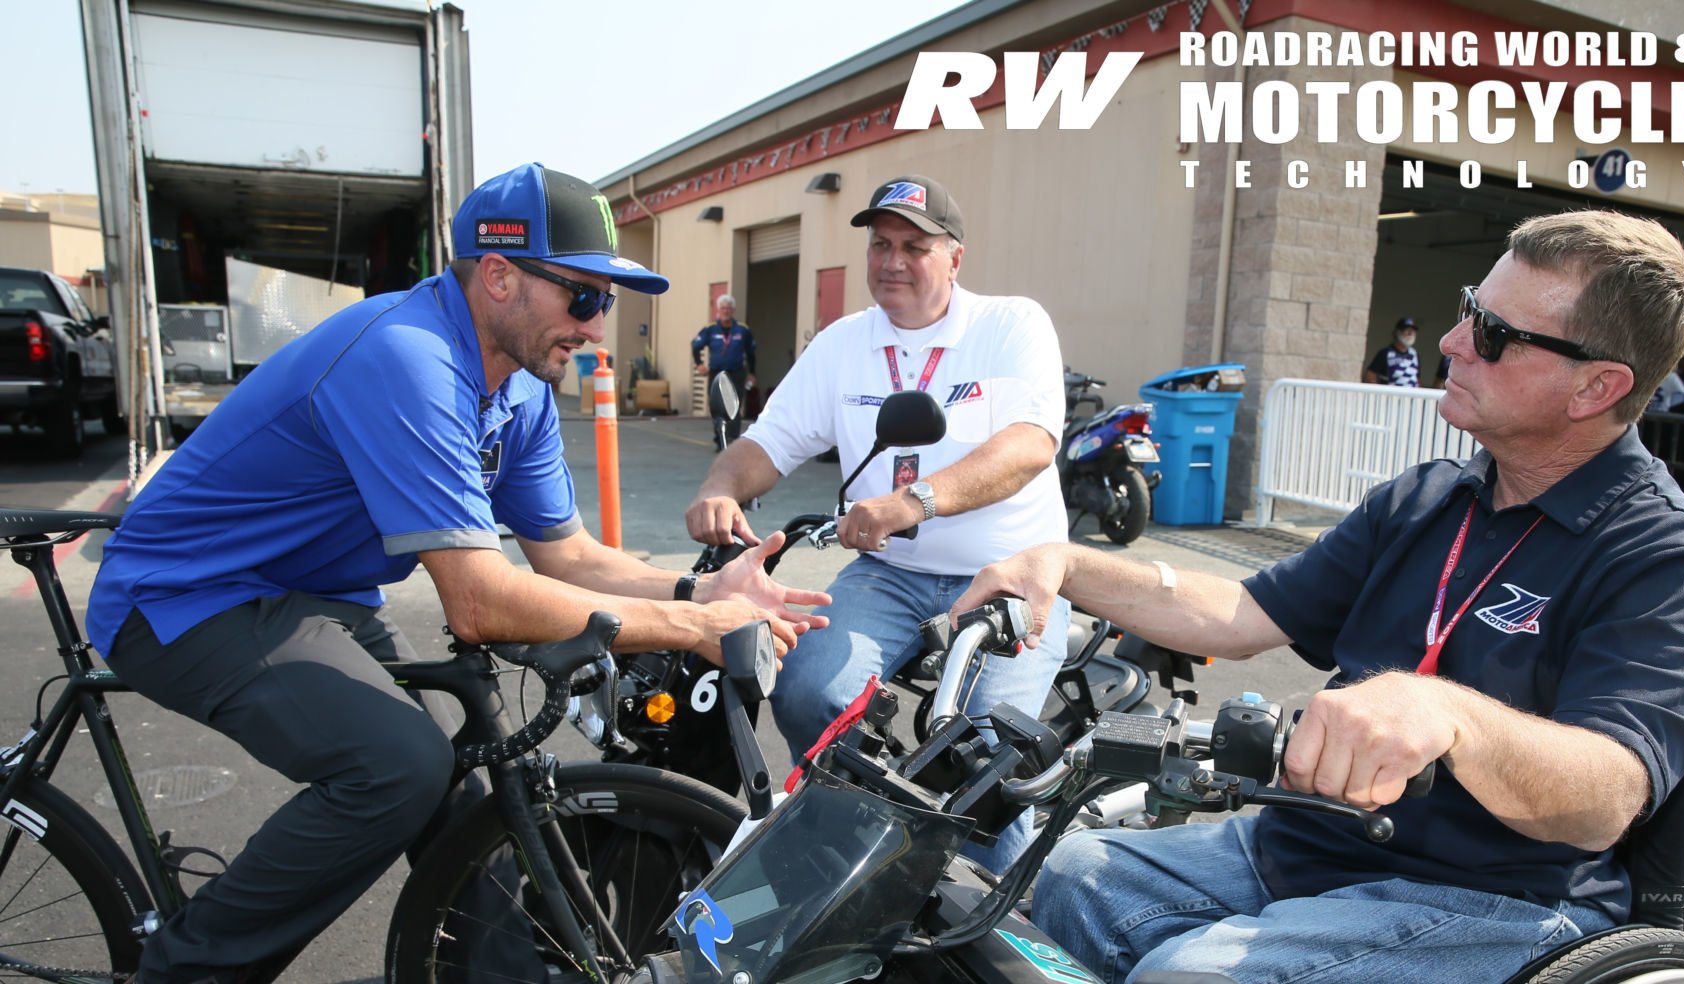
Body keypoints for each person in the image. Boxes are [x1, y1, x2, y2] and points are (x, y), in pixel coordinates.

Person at [86, 163, 830, 984]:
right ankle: (182, 973)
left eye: (608, 302)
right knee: (396, 768)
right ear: (501, 275)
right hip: (189, 596)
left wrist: (704, 592)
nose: (596, 327)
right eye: (582, 297)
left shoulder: (521, 385)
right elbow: (479, 602)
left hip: (320, 596)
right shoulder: (408, 358)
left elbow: (568, 556)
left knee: (458, 809)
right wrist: (698, 630)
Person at [955, 210, 1684, 983]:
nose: (1452, 341)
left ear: (1597, 387)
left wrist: (1447, 712)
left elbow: (1606, 797)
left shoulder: (1666, 560)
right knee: (1072, 875)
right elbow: (1240, 614)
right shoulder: (1431, 497)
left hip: (1501, 898)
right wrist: (1064, 566)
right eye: (1472, 309)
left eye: (1494, 335)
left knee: (1192, 975)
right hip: (1315, 845)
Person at [685, 174, 1072, 872]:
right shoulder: (843, 345)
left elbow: (1028, 447)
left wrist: (910, 502)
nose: (892, 261)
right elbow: (768, 443)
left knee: (990, 753)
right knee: (808, 687)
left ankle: (1011, 919)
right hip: (891, 574)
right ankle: (864, 846)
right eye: (880, 244)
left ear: (955, 257)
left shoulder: (1010, 325)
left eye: (914, 246)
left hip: (1014, 571)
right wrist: (720, 487)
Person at [692, 294, 757, 449]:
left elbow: (751, 353)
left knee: (734, 406)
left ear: (733, 310)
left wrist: (752, 373)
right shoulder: (710, 329)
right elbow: (695, 346)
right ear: (718, 310)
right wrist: (699, 364)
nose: (726, 311)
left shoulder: (743, 329)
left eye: (728, 308)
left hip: (736, 372)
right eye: (723, 308)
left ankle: (732, 439)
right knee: (717, 406)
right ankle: (720, 439)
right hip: (717, 373)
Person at [1363, 315, 1422, 386]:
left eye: (1413, 331)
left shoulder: (1414, 354)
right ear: (1398, 332)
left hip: (1412, 396)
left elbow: (1417, 379)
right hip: (1392, 396)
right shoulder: (1385, 353)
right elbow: (1369, 376)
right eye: (1407, 330)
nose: (1410, 334)